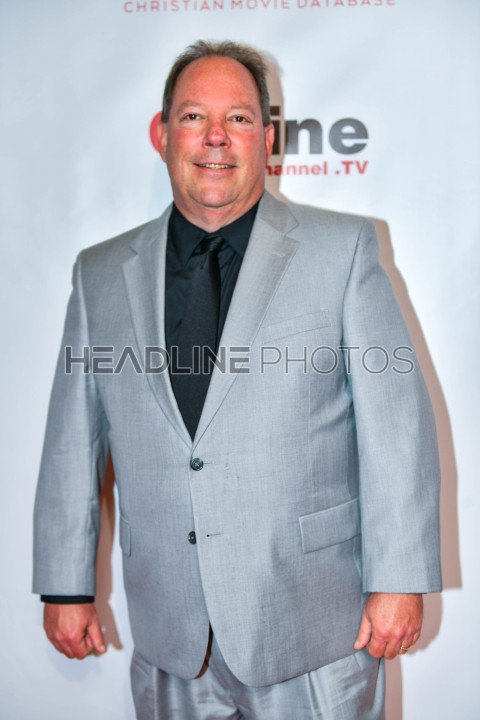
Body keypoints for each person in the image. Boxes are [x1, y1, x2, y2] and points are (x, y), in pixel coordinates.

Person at [33, 40, 442, 719]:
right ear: (162, 134)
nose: (216, 137)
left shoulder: (343, 250)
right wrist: (65, 586)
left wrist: (399, 579)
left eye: (240, 118)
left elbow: (396, 427)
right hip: (170, 635)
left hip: (315, 629)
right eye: (194, 116)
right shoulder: (99, 273)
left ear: (268, 138)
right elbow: (72, 438)